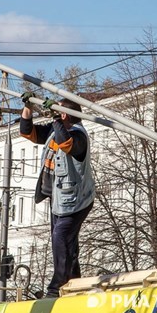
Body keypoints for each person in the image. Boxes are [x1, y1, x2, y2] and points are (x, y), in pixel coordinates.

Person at [19, 94, 95, 298]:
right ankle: (74, 280)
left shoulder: (79, 136)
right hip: (59, 199)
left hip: (76, 201)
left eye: (59, 110)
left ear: (65, 115)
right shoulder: (56, 130)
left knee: (60, 237)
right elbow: (29, 133)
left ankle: (56, 287)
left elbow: (66, 143)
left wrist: (56, 119)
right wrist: (28, 109)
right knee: (67, 242)